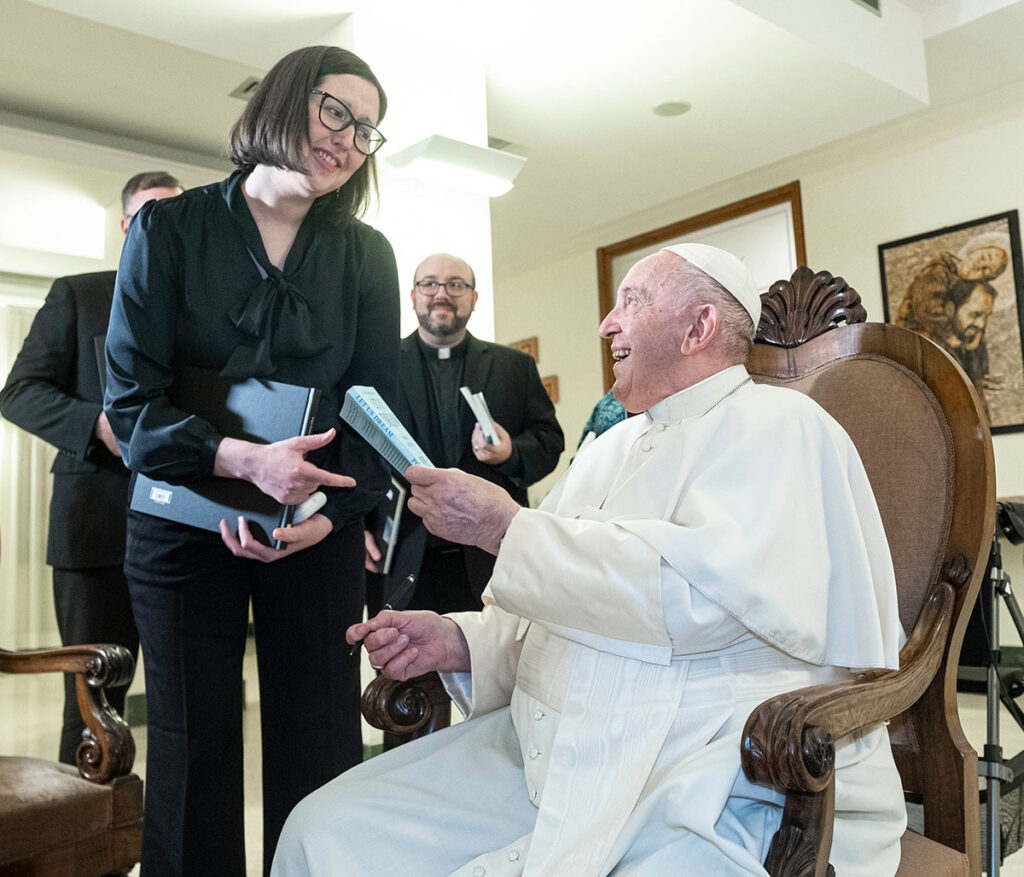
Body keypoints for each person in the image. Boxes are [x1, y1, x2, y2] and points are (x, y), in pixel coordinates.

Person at [273, 243, 906, 877]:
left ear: (700, 327)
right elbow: (556, 609)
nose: (607, 323)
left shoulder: (781, 425)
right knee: (323, 831)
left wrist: (503, 527)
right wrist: (463, 642)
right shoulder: (608, 447)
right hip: (545, 750)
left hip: (697, 767)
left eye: (631, 301)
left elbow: (695, 601)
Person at [103, 46, 399, 877]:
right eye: (334, 111)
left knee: (322, 738)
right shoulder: (168, 228)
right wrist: (242, 458)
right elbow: (130, 403)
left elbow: (371, 410)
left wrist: (336, 515)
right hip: (181, 529)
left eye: (366, 130)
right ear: (283, 100)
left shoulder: (366, 255)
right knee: (193, 746)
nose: (346, 138)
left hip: (314, 531)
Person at [0, 171, 181, 764]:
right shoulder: (77, 295)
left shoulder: (199, 313)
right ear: (126, 225)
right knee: (92, 699)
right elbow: (19, 392)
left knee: (187, 696)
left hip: (185, 527)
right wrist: (95, 425)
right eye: (152, 216)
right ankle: (87, 844)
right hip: (95, 531)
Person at [364, 252, 563, 615]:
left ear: (473, 298)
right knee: (403, 670)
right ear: (413, 296)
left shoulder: (514, 367)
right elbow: (355, 452)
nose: (441, 294)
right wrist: (356, 526)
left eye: (456, 285)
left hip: (492, 558)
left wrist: (510, 453)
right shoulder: (378, 365)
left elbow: (550, 441)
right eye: (429, 284)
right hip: (402, 554)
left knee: (498, 669)